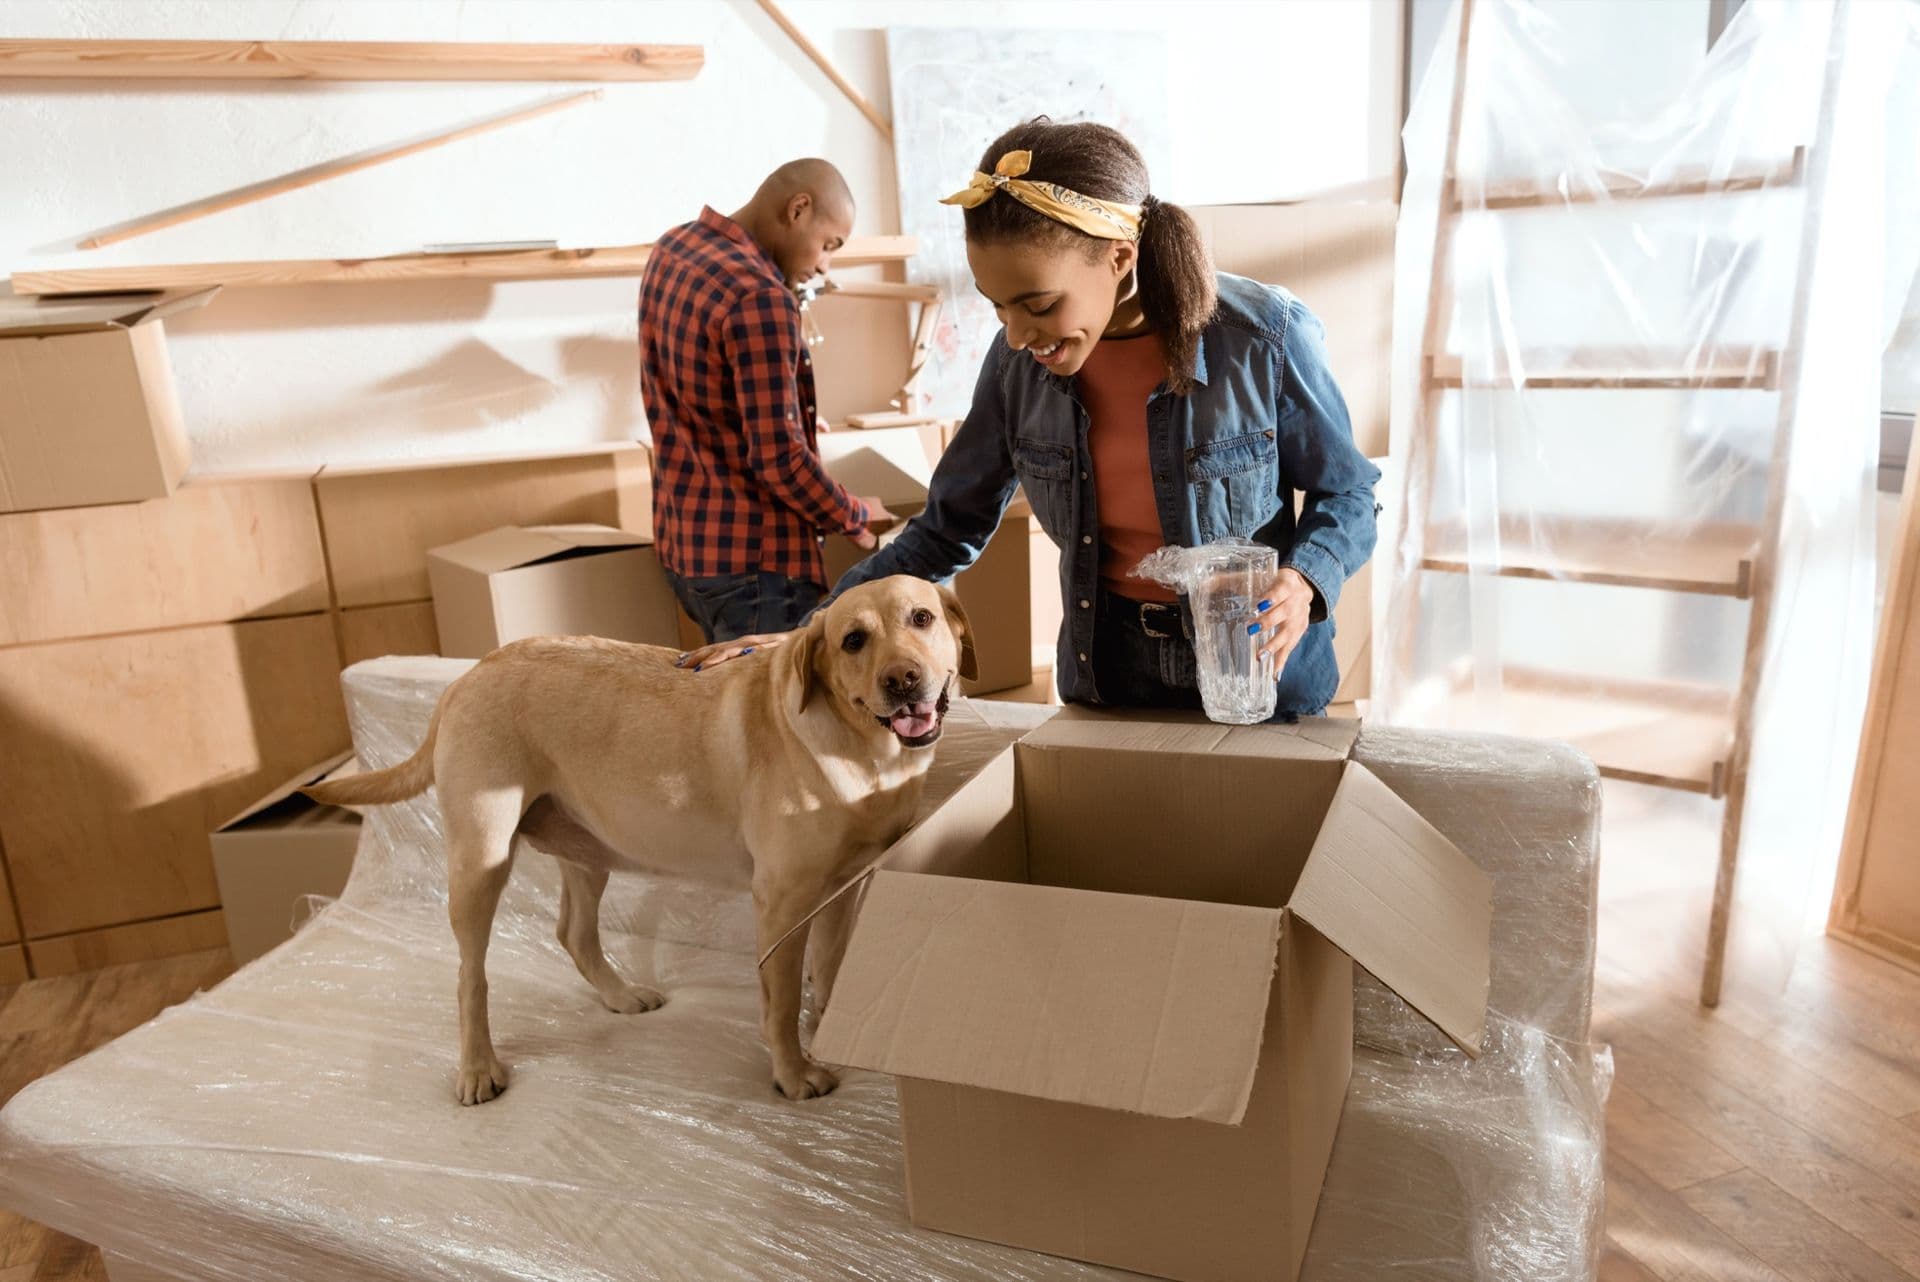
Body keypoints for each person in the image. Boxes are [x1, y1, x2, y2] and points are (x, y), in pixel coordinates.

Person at [682, 120, 1379, 720]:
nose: (1017, 335)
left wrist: (1304, 580)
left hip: (1257, 672)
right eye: (997, 307)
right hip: (1110, 672)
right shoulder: (1018, 367)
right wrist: (804, 633)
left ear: (1120, 257)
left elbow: (1348, 493)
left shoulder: (1262, 337)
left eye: (1039, 305)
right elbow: (948, 527)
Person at [639, 158, 895, 643]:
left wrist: (788, 416)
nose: (824, 264)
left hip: (687, 549)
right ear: (798, 209)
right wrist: (854, 516)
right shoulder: (760, 297)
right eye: (829, 245)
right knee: (768, 718)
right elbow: (780, 460)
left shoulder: (674, 247)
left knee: (730, 708)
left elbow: (693, 389)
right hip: (755, 569)